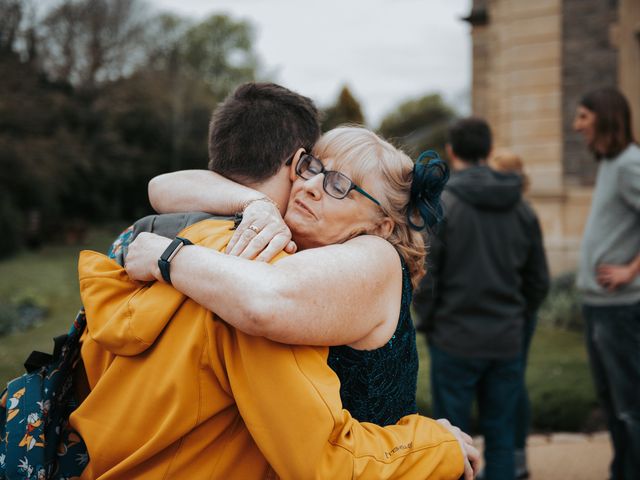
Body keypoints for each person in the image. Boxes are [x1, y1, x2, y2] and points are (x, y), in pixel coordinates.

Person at [71, 83, 477, 479]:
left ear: (382, 223)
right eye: (313, 168)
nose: (313, 186)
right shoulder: (285, 238)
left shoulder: (377, 257)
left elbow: (268, 298)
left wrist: (167, 256)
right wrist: (256, 202)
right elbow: (161, 186)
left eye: (341, 186)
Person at [413, 117, 549, 480]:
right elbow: (537, 280)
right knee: (502, 437)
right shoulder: (521, 209)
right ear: (489, 151)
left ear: (451, 152)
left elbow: (427, 276)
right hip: (505, 338)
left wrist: (427, 321)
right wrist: (518, 319)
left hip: (455, 339)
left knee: (454, 443)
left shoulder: (443, 207)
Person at [574, 87, 640, 480]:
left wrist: (631, 270)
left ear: (604, 118)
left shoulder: (630, 163)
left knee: (630, 408)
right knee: (616, 406)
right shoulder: (611, 164)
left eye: (583, 116)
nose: (576, 125)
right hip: (600, 308)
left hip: (620, 310)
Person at [488, 150, 537, 479]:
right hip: (513, 312)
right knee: (512, 384)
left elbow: (536, 274)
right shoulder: (521, 211)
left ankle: (515, 456)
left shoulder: (519, 212)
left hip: (511, 313)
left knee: (511, 386)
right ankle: (515, 458)